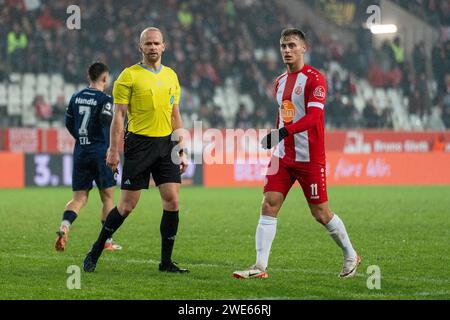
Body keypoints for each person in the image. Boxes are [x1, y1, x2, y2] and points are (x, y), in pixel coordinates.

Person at [233, 28, 360, 279]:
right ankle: (260, 266)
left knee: (320, 213)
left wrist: (281, 132)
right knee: (268, 205)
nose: (287, 50)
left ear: (304, 48)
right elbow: (285, 115)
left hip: (309, 158)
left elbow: (313, 118)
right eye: (283, 46)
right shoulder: (279, 82)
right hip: (283, 156)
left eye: (292, 45)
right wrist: (277, 135)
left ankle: (350, 254)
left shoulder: (315, 79)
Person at [83, 27, 189, 273]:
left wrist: (181, 148)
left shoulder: (172, 76)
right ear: (140, 47)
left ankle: (166, 262)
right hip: (139, 145)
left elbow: (175, 114)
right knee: (127, 206)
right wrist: (113, 150)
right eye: (148, 43)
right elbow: (119, 116)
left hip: (166, 145)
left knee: (172, 201)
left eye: (156, 43)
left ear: (164, 46)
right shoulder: (128, 76)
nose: (152, 47)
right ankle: (96, 249)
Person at [55, 62, 122, 252]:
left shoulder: (76, 97)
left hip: (81, 152)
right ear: (105, 78)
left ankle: (65, 225)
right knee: (108, 198)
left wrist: (81, 137)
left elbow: (69, 123)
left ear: (88, 77)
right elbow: (107, 121)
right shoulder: (105, 99)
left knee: (79, 198)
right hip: (101, 152)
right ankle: (107, 241)